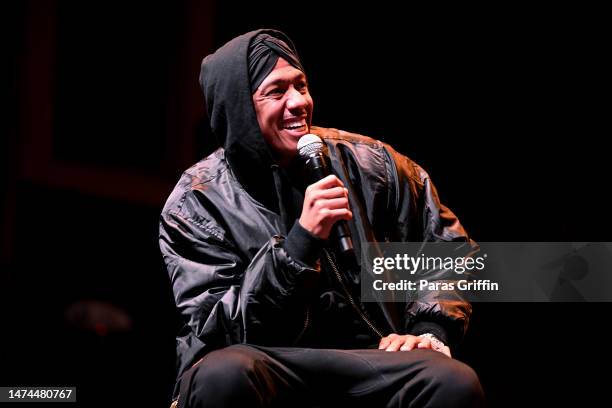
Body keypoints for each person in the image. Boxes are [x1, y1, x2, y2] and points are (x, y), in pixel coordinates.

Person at [159, 29, 484, 408]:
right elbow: (214, 327)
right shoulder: (197, 202)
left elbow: (448, 250)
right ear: (241, 109)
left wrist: (431, 328)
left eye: (302, 85)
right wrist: (298, 246)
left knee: (451, 380)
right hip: (267, 362)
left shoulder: (372, 164)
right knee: (222, 373)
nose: (299, 102)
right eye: (277, 92)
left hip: (371, 358)